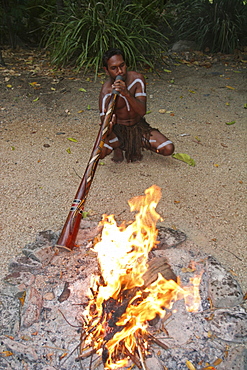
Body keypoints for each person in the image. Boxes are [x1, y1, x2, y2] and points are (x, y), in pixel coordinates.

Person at [99, 48, 174, 163]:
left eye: (122, 65)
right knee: (100, 153)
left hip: (138, 127)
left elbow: (142, 111)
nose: (120, 71)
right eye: (114, 68)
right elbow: (105, 125)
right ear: (106, 70)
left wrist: (127, 94)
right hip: (117, 131)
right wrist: (109, 126)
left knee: (168, 148)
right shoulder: (106, 92)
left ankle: (135, 142)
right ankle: (117, 145)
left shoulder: (137, 79)